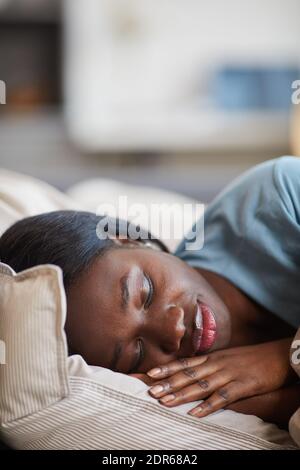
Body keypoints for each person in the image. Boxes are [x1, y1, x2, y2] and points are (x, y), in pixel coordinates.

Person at [0, 156, 300, 429]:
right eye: (137, 353)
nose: (174, 328)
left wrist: (280, 358)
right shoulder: (187, 396)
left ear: (130, 239)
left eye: (146, 291)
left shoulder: (279, 200)